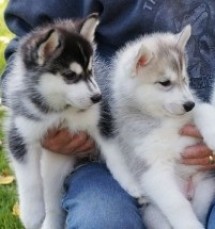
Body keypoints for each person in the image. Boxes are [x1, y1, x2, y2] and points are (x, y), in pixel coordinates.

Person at [1, 0, 215, 228]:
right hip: (96, 158)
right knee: (103, 218)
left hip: (201, 160)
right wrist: (43, 113)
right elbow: (27, 52)